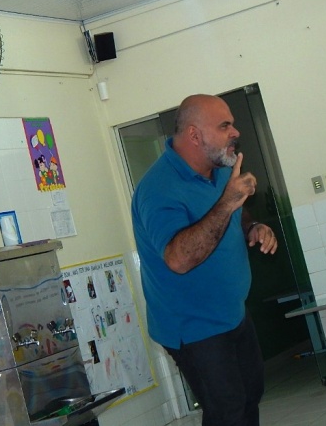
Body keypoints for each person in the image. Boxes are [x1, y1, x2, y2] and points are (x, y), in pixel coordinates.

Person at [131, 94, 278, 426]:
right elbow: (178, 259)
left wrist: (253, 226)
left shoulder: (221, 171)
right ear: (195, 135)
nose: (235, 132)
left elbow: (234, 216)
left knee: (250, 397)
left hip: (232, 312)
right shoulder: (158, 189)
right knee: (227, 412)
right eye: (225, 126)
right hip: (193, 325)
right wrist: (227, 202)